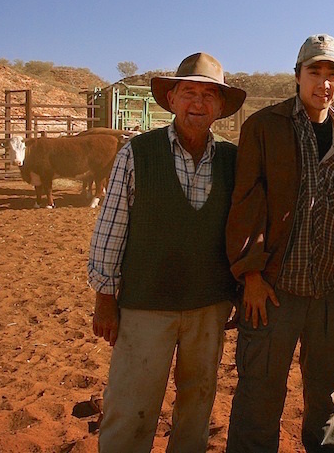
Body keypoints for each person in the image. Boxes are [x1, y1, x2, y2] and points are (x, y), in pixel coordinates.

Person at [88, 51, 247, 453]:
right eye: (189, 93)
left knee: (196, 404)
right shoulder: (137, 153)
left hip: (209, 306)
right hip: (146, 304)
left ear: (221, 106)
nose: (198, 103)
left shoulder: (232, 158)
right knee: (131, 406)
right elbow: (111, 227)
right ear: (172, 99)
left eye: (209, 95)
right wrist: (105, 297)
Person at [226, 34, 334, 453]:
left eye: (332, 74)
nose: (324, 82)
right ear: (297, 76)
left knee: (324, 394)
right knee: (260, 394)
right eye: (315, 72)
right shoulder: (264, 127)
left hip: (328, 289)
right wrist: (251, 273)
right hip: (274, 288)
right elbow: (246, 202)